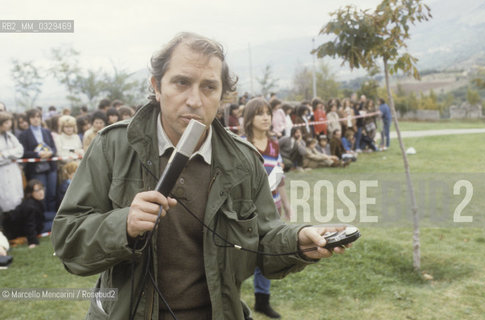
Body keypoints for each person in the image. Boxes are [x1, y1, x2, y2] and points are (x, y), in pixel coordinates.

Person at [52, 32, 350, 320]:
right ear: (156, 86)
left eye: (209, 87)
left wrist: (299, 241)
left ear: (222, 95)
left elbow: (262, 241)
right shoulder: (113, 147)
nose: (194, 100)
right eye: (181, 82)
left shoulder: (242, 161)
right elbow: (67, 242)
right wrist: (123, 225)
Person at [243, 97, 291, 319]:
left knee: (266, 255)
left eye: (268, 113)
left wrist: (287, 207)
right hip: (246, 213)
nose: (266, 118)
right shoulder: (241, 144)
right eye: (260, 113)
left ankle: (262, 301)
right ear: (250, 117)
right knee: (241, 257)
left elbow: (279, 177)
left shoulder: (274, 144)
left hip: (272, 211)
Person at [18, 108, 58, 213]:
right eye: (33, 117)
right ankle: (43, 218)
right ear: (29, 119)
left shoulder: (46, 131)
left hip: (50, 167)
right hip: (36, 169)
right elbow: (23, 152)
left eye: (38, 117)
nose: (36, 119)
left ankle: (54, 217)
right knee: (40, 195)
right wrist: (38, 154)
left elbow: (54, 148)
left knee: (52, 193)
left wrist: (50, 153)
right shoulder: (24, 134)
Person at [4, 179, 46, 248]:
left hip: (31, 226)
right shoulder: (30, 206)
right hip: (15, 231)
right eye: (37, 190)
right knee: (54, 223)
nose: (41, 192)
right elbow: (30, 225)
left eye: (41, 189)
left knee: (54, 218)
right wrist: (33, 242)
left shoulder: (37, 201)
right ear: (30, 193)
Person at [0, 112, 24, 217]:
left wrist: (6, 154)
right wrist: (10, 156)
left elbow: (20, 151)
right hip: (2, 172)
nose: (9, 124)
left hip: (13, 171)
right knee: (4, 199)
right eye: (7, 122)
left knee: (16, 198)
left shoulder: (9, 135)